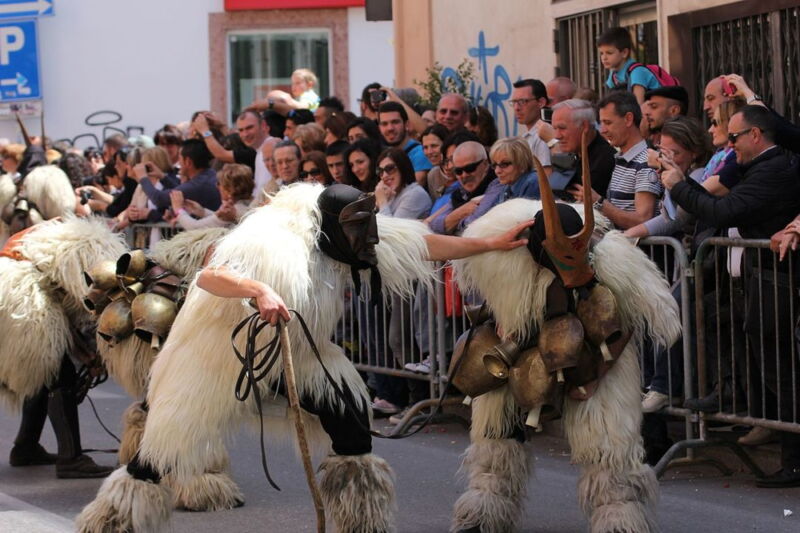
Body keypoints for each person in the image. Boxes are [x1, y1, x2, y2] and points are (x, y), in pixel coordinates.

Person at [76, 182, 532, 533]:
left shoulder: (354, 229)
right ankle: (111, 523)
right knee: (160, 457)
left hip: (299, 349)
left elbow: (425, 245)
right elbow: (213, 275)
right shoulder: (270, 240)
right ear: (330, 224)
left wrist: (491, 244)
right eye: (356, 229)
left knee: (352, 418)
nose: (364, 237)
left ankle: (362, 522)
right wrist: (259, 290)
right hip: (217, 358)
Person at [666, 105, 800, 488]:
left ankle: (794, 459)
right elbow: (714, 195)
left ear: (756, 136)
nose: (728, 144)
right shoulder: (752, 166)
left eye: (735, 137)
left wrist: (678, 184)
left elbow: (722, 210)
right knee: (770, 368)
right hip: (760, 282)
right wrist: (678, 181)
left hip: (777, 282)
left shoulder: (772, 170)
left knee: (782, 372)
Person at [570, 90, 662, 230]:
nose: (603, 130)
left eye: (608, 122)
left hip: (637, 250)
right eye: (601, 123)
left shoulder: (646, 162)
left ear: (628, 119)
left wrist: (598, 202)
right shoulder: (621, 159)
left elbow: (643, 220)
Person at [551, 99, 616, 199]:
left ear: (584, 126)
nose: (557, 136)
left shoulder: (605, 160)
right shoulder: (576, 154)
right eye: (554, 129)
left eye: (562, 128)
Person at [428, 140, 494, 235]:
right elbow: (432, 226)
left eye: (470, 168)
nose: (464, 175)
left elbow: (471, 224)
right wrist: (460, 213)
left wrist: (450, 223)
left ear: (485, 164)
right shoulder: (459, 194)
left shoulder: (497, 185)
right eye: (458, 171)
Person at [136, 139, 221, 212]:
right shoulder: (210, 174)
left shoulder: (197, 184)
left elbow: (158, 199)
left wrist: (143, 178)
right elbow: (180, 191)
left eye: (179, 158)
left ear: (188, 162)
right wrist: (162, 177)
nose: (178, 162)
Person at [172, 163, 253, 229]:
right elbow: (218, 219)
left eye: (219, 183)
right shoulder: (248, 205)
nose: (217, 186)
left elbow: (195, 227)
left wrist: (178, 210)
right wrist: (202, 211)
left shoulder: (230, 210)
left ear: (229, 190)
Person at [598, 27, 661, 103]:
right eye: (601, 53)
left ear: (624, 52)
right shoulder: (613, 74)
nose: (604, 58)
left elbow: (638, 105)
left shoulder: (637, 72)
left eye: (609, 53)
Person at [377, 101, 432, 185]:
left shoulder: (421, 153)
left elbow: (414, 187)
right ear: (379, 128)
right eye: (384, 124)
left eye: (395, 122)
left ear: (406, 124)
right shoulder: (384, 155)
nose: (390, 128)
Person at [510, 79, 553, 173]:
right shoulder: (529, 135)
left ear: (541, 102)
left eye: (522, 101)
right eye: (514, 102)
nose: (516, 108)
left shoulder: (543, 136)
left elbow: (546, 178)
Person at [419, 124, 450, 195]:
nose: (429, 152)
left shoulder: (459, 170)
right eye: (425, 148)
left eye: (434, 146)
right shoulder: (432, 175)